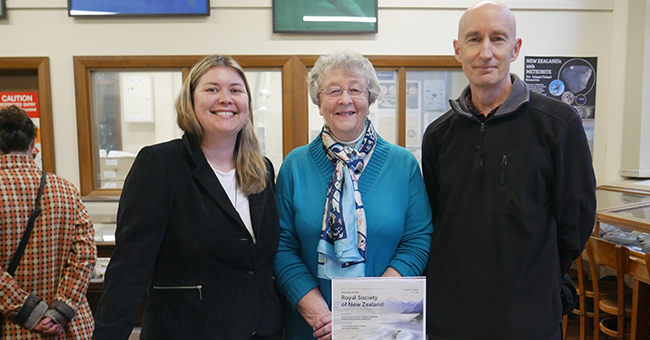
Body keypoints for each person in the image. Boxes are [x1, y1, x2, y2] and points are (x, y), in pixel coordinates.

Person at [421, 2, 596, 339]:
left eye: (497, 39)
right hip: (451, 317)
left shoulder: (558, 124)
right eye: (474, 39)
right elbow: (436, 219)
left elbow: (576, 221)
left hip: (527, 316)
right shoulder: (438, 135)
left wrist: (540, 275)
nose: (485, 52)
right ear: (458, 51)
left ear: (515, 49)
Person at [92, 55, 283, 339]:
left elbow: (261, 265)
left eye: (235, 89)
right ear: (190, 101)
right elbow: (129, 269)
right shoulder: (160, 164)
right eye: (212, 89)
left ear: (248, 103)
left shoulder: (262, 169)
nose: (225, 98)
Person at [274, 50, 433, 340]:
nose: (345, 99)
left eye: (356, 89)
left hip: (385, 327)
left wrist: (374, 308)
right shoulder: (294, 166)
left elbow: (418, 240)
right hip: (313, 329)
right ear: (319, 102)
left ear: (369, 100)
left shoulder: (403, 164)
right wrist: (319, 315)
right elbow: (281, 246)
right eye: (333, 90)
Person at [0, 105, 96, 338]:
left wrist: (31, 313)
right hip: (67, 328)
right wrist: (57, 313)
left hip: (13, 328)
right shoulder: (66, 189)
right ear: (34, 143)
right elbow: (85, 255)